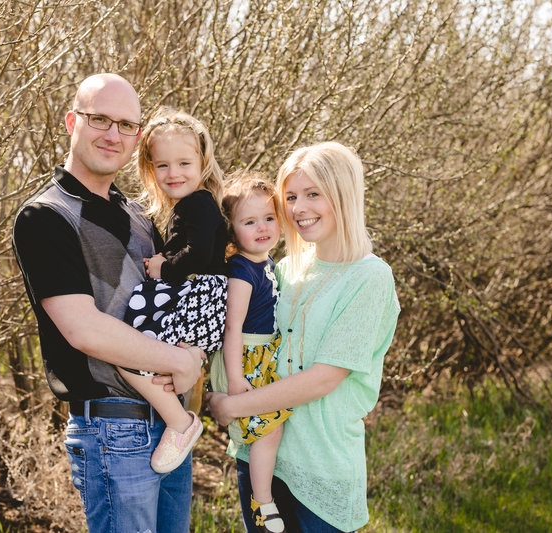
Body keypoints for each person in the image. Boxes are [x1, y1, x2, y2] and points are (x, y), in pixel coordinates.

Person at [11, 73, 204, 533]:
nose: (113, 134)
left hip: (171, 424)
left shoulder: (140, 215)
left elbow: (174, 301)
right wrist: (180, 361)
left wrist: (195, 355)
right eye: (100, 119)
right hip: (114, 433)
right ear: (72, 120)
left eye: (126, 125)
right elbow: (85, 330)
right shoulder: (46, 217)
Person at [207, 142, 400, 533]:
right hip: (261, 455)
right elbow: (238, 332)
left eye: (313, 194)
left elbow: (325, 378)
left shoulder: (370, 277)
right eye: (291, 196)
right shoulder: (285, 269)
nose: (299, 208)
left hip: (321, 464)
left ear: (343, 194)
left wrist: (232, 407)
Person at [120, 107, 228, 474]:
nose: (174, 173)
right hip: (200, 300)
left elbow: (195, 255)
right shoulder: (193, 205)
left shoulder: (198, 203)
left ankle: (180, 423)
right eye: (162, 165)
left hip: (196, 299)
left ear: (203, 161)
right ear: (150, 168)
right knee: (143, 356)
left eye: (184, 163)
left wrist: (163, 265)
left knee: (126, 354)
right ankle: (180, 410)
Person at [209, 171, 293, 533]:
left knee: (272, 428)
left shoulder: (267, 263)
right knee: (268, 429)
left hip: (262, 355)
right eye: (249, 221)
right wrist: (235, 378)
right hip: (245, 358)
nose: (262, 228)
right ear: (233, 230)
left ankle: (263, 495)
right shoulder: (242, 270)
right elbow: (233, 329)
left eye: (269, 218)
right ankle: (261, 501)